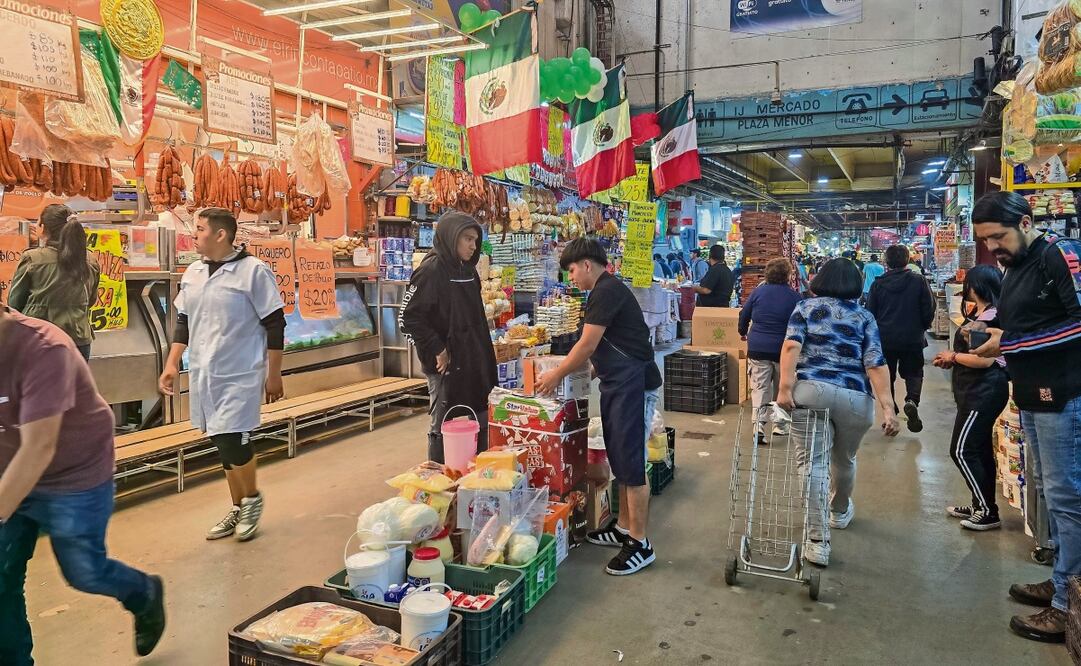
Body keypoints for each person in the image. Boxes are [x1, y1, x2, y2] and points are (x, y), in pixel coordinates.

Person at [0, 306, 165, 664]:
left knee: (84, 571)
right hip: (7, 470)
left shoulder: (44, 349)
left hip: (72, 474)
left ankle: (144, 593)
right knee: (0, 578)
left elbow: (39, 447)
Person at [970, 191, 1081, 643]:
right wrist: (1000, 334)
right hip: (1032, 393)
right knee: (1047, 492)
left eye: (998, 236)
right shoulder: (1014, 266)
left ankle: (1064, 605)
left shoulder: (1061, 254)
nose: (993, 247)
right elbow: (1030, 323)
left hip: (1064, 394)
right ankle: (1061, 581)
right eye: (986, 240)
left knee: (1066, 498)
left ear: (1027, 221)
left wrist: (1008, 345)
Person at [536, 238, 662, 576]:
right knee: (619, 455)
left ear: (587, 264)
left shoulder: (606, 291)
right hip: (618, 383)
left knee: (631, 460)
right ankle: (622, 527)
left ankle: (640, 542)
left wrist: (556, 374)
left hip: (633, 385)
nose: (572, 278)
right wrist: (590, 373)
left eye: (573, 270)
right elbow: (609, 344)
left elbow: (588, 343)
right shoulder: (604, 291)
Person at [158, 208, 285, 542]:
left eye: (199, 229)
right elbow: (183, 320)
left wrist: (275, 375)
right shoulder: (194, 273)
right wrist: (173, 363)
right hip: (203, 371)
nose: (194, 235)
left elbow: (275, 324)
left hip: (239, 373)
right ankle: (238, 505)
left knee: (233, 439)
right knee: (219, 439)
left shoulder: (253, 272)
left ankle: (252, 499)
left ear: (220, 235)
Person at [777, 258, 900, 567]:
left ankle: (817, 541)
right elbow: (875, 363)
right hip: (854, 398)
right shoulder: (865, 317)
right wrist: (888, 408)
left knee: (812, 463)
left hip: (810, 392)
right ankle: (839, 511)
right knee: (844, 460)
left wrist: (784, 388)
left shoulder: (805, 308)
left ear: (821, 279)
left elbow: (792, 347)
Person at [400, 212, 497, 465]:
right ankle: (440, 477)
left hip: (474, 359)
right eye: (467, 239)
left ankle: (478, 474)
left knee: (481, 418)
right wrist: (438, 348)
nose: (472, 246)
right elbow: (409, 318)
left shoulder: (469, 271)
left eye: (475, 240)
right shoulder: (430, 271)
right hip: (446, 366)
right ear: (451, 237)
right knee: (445, 424)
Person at [931, 265, 1009, 531]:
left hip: (983, 391)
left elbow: (984, 361)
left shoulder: (992, 317)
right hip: (975, 390)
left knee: (961, 450)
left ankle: (987, 511)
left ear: (975, 287)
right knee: (980, 449)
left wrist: (952, 356)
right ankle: (980, 503)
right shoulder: (986, 312)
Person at [7, 204, 100, 361]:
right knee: (73, 386)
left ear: (42, 228)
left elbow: (14, 303)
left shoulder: (32, 259)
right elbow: (91, 300)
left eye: (37, 223)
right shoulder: (90, 260)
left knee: (40, 386)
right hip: (79, 339)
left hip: (40, 339)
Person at [865, 245, 935, 432]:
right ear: (907, 260)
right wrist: (923, 326)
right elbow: (929, 307)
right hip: (912, 336)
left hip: (885, 338)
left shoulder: (878, 284)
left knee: (887, 375)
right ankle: (911, 400)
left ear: (886, 262)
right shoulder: (918, 281)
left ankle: (891, 412)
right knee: (914, 372)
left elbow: (870, 313)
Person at [738, 258, 802, 446]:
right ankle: (780, 425)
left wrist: (742, 332)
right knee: (782, 387)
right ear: (788, 275)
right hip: (784, 351)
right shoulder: (795, 297)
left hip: (758, 347)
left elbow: (744, 315)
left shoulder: (758, 292)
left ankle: (758, 426)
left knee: (760, 388)